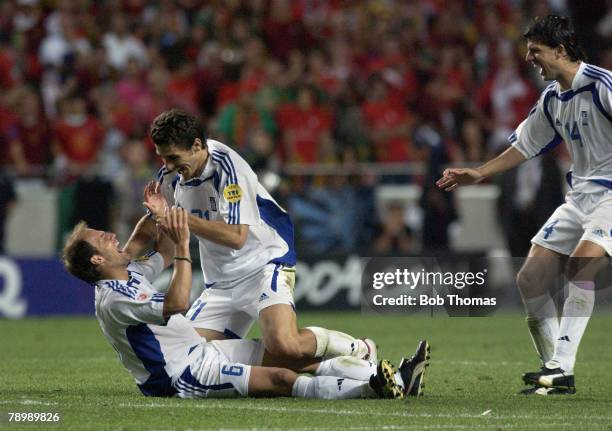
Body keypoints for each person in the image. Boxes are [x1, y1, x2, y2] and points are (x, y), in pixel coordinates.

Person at [61, 206, 429, 399]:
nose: (112, 236)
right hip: (181, 375)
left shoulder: (128, 272)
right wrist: (186, 249)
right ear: (96, 261)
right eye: (102, 239)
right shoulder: (115, 299)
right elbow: (176, 301)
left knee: (291, 356)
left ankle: (397, 378)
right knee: (283, 379)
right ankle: (369, 390)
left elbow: (154, 243)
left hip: (200, 350)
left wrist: (158, 205)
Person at [125, 109, 383, 369]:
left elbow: (237, 237)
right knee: (185, 357)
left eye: (173, 158)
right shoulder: (170, 177)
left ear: (196, 145)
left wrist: (177, 217)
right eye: (162, 158)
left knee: (284, 344)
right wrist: (125, 261)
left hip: (263, 265)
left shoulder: (229, 167)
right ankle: (317, 368)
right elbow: (158, 231)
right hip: (220, 282)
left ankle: (360, 348)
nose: (168, 166)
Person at [436, 15, 612, 395]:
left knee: (581, 265)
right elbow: (524, 145)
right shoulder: (551, 98)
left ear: (560, 50)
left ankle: (562, 367)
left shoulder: (602, 86)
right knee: (529, 279)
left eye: (536, 51)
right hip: (580, 197)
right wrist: (479, 172)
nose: (529, 58)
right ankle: (554, 371)